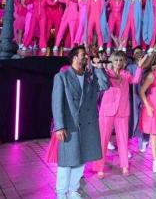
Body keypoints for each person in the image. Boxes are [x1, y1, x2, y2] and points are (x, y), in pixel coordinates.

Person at [52, 47, 108, 198]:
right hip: (70, 125)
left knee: (82, 158)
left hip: (88, 124)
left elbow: (105, 85)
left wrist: (98, 68)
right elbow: (57, 103)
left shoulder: (90, 76)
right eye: (83, 55)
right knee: (67, 161)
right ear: (74, 58)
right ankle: (61, 192)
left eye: (86, 56)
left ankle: (73, 189)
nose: (86, 58)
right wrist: (59, 126)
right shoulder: (62, 77)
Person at [94, 51, 148, 178]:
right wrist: (100, 67)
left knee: (123, 139)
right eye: (116, 60)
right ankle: (99, 167)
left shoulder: (126, 74)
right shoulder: (107, 73)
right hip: (107, 110)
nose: (118, 63)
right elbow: (100, 78)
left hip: (123, 111)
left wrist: (140, 67)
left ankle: (124, 166)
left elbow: (135, 81)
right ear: (112, 61)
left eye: (120, 60)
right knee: (103, 139)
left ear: (123, 62)